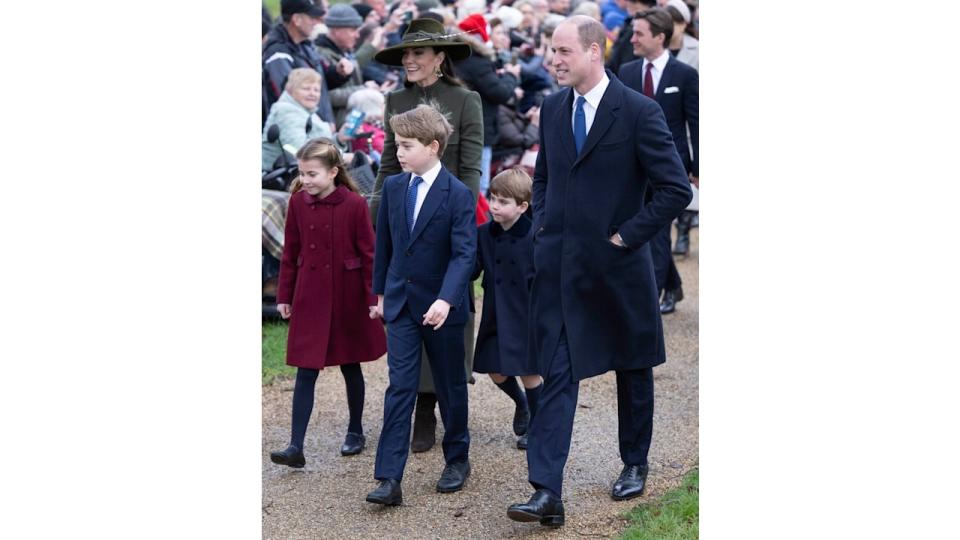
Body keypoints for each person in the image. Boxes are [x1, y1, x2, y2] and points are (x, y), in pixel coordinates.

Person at [505, 16, 691, 527]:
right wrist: (541, 226)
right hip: (562, 271)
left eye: (563, 51)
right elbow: (542, 178)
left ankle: (635, 460)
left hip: (620, 268)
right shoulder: (554, 107)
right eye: (551, 51)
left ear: (594, 51)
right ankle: (546, 490)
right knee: (557, 374)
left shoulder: (638, 111)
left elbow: (675, 189)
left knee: (632, 368)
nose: (553, 60)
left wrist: (625, 236)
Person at [369, 18, 483, 454]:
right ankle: (418, 407)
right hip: (404, 216)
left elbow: (470, 166)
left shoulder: (466, 99)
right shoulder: (395, 99)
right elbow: (386, 164)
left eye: (419, 53)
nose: (410, 60)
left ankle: (438, 407)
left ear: (440, 57)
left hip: (449, 218)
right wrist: (377, 213)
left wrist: (461, 215)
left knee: (446, 313)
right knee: (404, 307)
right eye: (405, 54)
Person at [366, 105, 477, 506]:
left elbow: (464, 255)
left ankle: (457, 459)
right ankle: (389, 478)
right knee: (400, 387)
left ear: (433, 147)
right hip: (399, 304)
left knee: (450, 386)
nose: (399, 152)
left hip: (442, 307)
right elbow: (386, 245)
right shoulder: (396, 188)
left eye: (407, 146)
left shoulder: (458, 194)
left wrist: (446, 299)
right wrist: (379, 295)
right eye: (397, 144)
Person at [269, 138, 388, 468]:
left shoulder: (354, 204)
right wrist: (284, 295)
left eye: (312, 174)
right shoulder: (296, 203)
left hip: (347, 295)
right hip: (310, 294)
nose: (305, 180)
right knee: (305, 370)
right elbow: (290, 253)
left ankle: (355, 430)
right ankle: (296, 445)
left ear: (334, 171)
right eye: (302, 173)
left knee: (351, 364)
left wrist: (373, 298)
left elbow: (369, 256)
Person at [619, 7, 697, 314]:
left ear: (660, 37)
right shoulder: (626, 72)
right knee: (647, 230)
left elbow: (697, 123)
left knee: (659, 232)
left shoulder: (686, 75)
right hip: (632, 169)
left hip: (670, 168)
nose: (633, 39)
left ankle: (651, 297)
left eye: (639, 34)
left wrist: (697, 167)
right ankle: (673, 286)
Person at [471, 168, 542, 450]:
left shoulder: (535, 235)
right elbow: (473, 269)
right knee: (495, 370)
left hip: (524, 314)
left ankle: (537, 424)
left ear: (523, 207)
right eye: (493, 198)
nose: (494, 206)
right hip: (495, 310)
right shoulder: (484, 234)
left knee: (529, 373)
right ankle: (520, 403)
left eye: (503, 202)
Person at [456, 14, 522, 196]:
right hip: (479, 128)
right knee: (479, 185)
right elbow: (499, 93)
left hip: (462, 126)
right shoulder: (477, 60)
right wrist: (511, 75)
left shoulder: (456, 56)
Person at [315, 4, 396, 124]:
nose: (357, 35)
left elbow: (355, 67)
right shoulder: (321, 54)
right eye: (353, 30)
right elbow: (324, 95)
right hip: (340, 125)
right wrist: (363, 90)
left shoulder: (344, 50)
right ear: (336, 30)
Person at [262, 0, 335, 126]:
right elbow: (291, 97)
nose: (316, 22)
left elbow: (322, 82)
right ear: (296, 19)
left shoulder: (306, 46)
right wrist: (322, 125)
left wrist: (339, 73)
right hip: (295, 131)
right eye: (311, 17)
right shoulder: (278, 53)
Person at [262, 68, 350, 172]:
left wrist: (339, 139)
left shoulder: (308, 112)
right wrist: (341, 156)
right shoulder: (286, 111)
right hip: (276, 178)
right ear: (291, 90)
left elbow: (320, 145)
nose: (312, 93)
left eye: (316, 90)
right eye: (306, 88)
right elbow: (300, 150)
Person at [605, 0, 656, 75]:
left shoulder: (652, 27)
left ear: (647, 5)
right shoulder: (628, 23)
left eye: (634, 2)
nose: (629, 4)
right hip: (617, 74)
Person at [663, 0, 699, 71]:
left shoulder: (698, 49)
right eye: (665, 23)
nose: (668, 27)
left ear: (683, 25)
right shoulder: (656, 47)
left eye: (672, 24)